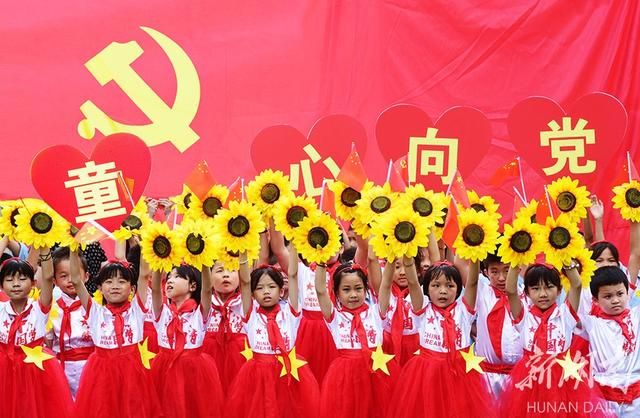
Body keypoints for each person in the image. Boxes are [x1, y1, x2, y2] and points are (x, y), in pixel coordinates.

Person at [386, 260, 496, 418]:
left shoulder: (464, 310)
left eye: (450, 286)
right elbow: (413, 282)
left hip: (460, 374)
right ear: (426, 289)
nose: (443, 291)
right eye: (436, 285)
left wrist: (474, 254)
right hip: (428, 374)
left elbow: (472, 282)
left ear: (459, 288)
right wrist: (409, 260)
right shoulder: (422, 308)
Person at [500, 263, 610, 417]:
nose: (543, 294)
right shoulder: (524, 316)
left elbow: (576, 285)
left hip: (563, 377)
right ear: (527, 293)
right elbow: (511, 290)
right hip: (530, 376)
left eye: (549, 287)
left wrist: (567, 260)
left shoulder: (565, 314)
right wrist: (516, 259)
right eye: (536, 288)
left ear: (559, 290)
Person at [70, 251, 163, 418]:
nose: (115, 286)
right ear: (100, 288)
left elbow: (143, 275)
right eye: (108, 281)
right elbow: (76, 280)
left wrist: (146, 244)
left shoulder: (137, 309)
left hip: (132, 373)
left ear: (132, 288)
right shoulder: (95, 311)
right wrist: (73, 248)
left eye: (121, 281)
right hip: (101, 373)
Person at [226, 256, 320, 418]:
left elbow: (292, 276)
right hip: (259, 375)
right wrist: (242, 251)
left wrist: (295, 244)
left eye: (271, 286)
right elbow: (245, 283)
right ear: (252, 295)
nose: (266, 291)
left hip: (287, 372)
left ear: (281, 291)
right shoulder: (251, 314)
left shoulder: (290, 312)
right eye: (260, 288)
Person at [315, 260, 399, 418]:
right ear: (337, 292)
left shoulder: (376, 312)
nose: (353, 295)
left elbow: (386, 284)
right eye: (346, 290)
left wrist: (391, 258)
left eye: (358, 288)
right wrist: (320, 262)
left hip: (377, 372)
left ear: (366, 289)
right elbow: (320, 291)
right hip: (346, 376)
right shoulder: (334, 316)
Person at [0, 250, 73, 418]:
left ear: (33, 283)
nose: (16, 284)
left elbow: (48, 277)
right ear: (2, 286)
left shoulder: (39, 308)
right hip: (5, 370)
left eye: (22, 279)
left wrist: (44, 245)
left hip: (35, 369)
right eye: (9, 280)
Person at [146, 263, 224, 418]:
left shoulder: (200, 313)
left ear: (193, 286)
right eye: (169, 277)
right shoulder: (162, 311)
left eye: (177, 277)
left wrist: (204, 262)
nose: (170, 280)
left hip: (193, 371)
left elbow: (207, 290)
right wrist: (159, 259)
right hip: (164, 369)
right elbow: (155, 289)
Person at [579, 266, 640, 417]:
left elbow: (635, 256)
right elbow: (571, 309)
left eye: (620, 294)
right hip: (603, 394)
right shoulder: (591, 323)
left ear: (628, 293)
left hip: (637, 392)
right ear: (595, 300)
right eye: (607, 296)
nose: (615, 300)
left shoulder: (636, 316)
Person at [474, 252, 524, 398]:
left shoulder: (528, 296)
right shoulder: (481, 292)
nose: (501, 278)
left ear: (517, 269)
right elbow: (463, 266)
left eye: (507, 270)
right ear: (485, 272)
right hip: (487, 377)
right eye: (494, 272)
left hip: (520, 377)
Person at [46, 246, 94, 397]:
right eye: (63, 276)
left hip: (90, 366)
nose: (70, 280)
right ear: (54, 280)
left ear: (86, 276)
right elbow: (48, 342)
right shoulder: (52, 308)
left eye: (75, 274)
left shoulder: (95, 306)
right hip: (62, 368)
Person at [203, 261, 247, 392]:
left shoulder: (246, 303)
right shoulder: (203, 304)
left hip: (241, 367)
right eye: (219, 271)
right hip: (208, 370)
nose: (226, 275)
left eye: (232, 270)